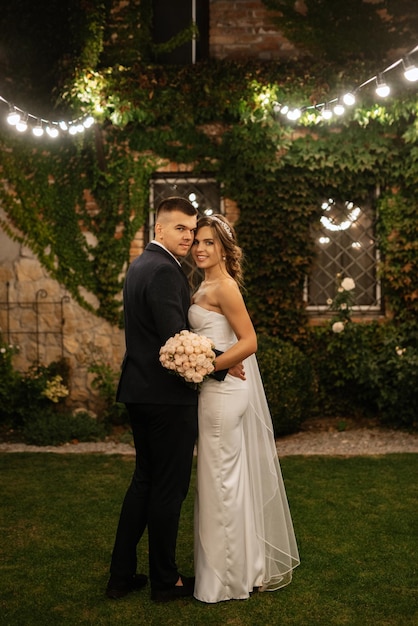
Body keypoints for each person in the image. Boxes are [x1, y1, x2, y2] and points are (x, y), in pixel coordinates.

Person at [189, 214, 300, 603]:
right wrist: (206, 358)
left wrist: (206, 365)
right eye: (197, 242)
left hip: (223, 394)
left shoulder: (225, 287)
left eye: (209, 242)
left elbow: (249, 341)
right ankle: (241, 566)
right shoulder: (203, 284)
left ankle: (226, 579)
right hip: (213, 391)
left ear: (223, 248)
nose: (200, 248)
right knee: (221, 481)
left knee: (221, 482)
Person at [105, 197, 200, 603]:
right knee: (168, 488)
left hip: (140, 392)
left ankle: (121, 575)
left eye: (192, 230)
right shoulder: (163, 270)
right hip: (165, 397)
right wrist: (220, 361)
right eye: (181, 228)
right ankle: (166, 581)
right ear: (159, 228)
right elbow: (177, 341)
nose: (189, 236)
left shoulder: (141, 264)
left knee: (144, 483)